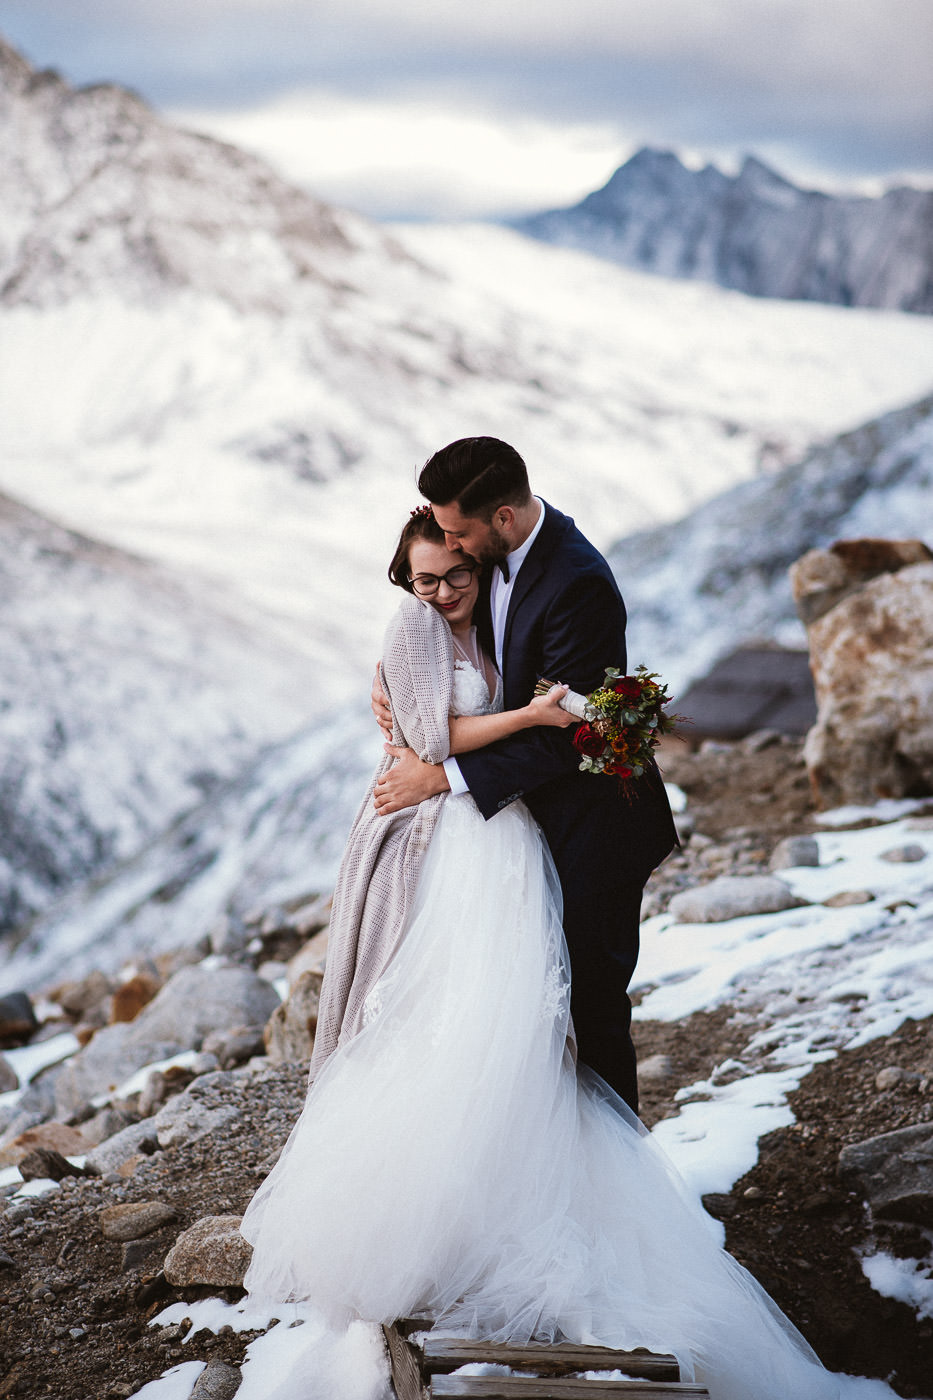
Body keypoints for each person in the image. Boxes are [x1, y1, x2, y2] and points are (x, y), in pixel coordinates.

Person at [238, 496, 853, 1400]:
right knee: (475, 1020)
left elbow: (512, 724)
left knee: (552, 1014)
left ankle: (567, 1191)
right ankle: (461, 1212)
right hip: (464, 838)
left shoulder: (558, 581)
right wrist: (514, 722)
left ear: (483, 533)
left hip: (531, 834)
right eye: (428, 571)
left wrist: (499, 735)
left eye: (455, 563)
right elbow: (436, 726)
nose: (445, 582)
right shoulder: (421, 619)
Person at [371, 436, 678, 1112]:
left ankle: (614, 1183)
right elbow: (453, 639)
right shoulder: (485, 557)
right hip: (519, 824)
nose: (448, 545)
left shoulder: (576, 583)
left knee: (590, 1006)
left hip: (590, 822)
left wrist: (440, 776)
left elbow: (573, 735)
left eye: (456, 532)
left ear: (500, 519)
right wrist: (395, 679)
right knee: (519, 1006)